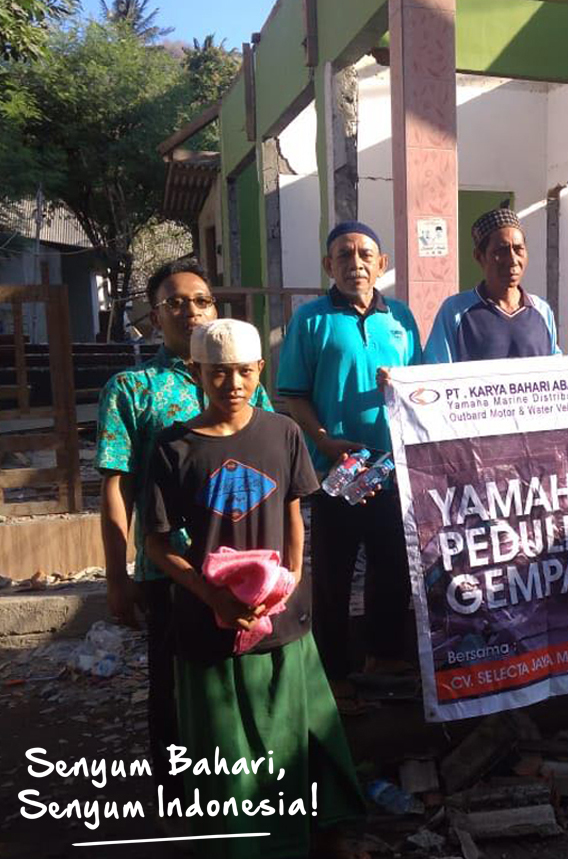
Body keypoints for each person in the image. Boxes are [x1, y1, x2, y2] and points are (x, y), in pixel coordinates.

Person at [145, 319, 365, 859]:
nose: (233, 384)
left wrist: (289, 579)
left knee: (297, 734)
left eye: (244, 371)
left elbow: (294, 513)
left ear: (260, 370)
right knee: (227, 749)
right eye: (218, 373)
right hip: (208, 623)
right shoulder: (173, 448)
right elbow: (156, 544)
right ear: (197, 372)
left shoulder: (283, 433)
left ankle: (321, 834)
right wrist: (210, 595)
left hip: (280, 617)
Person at [95, 259, 272, 807]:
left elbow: (270, 457)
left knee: (245, 681)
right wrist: (116, 577)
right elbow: (116, 487)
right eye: (175, 302)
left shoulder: (241, 378)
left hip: (246, 566)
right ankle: (178, 800)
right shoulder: (134, 389)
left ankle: (246, 791)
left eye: (201, 300)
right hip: (171, 568)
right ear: (155, 316)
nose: (191, 310)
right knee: (173, 689)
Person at [277, 221, 421, 692]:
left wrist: (403, 386)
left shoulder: (401, 318)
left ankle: (385, 658)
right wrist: (323, 440)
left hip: (391, 470)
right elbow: (294, 394)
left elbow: (421, 386)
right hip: (336, 471)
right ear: (328, 264)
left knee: (392, 568)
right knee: (333, 576)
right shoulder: (311, 320)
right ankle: (333, 674)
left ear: (382, 264)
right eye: (344, 255)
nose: (355, 263)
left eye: (365, 255)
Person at [424, 208, 562, 362]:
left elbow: (556, 368)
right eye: (501, 251)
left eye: (519, 249)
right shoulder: (455, 311)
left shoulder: (542, 310)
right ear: (479, 257)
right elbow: (436, 370)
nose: (512, 260)